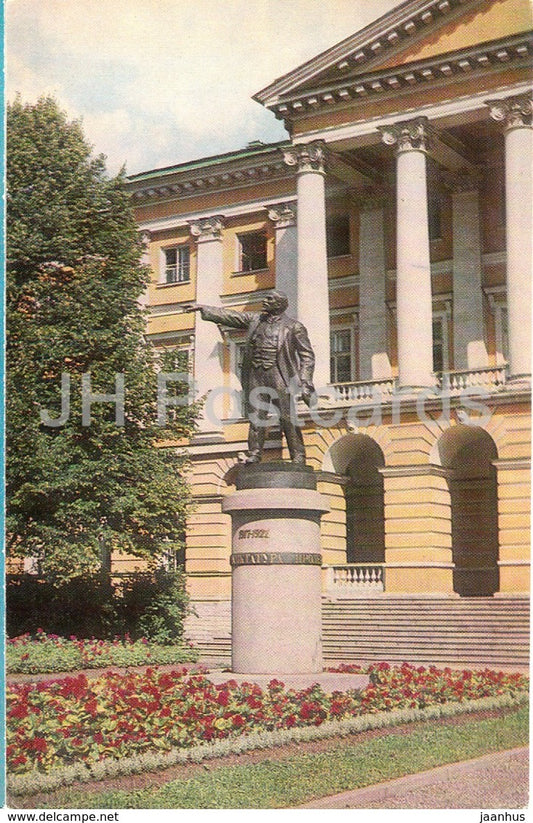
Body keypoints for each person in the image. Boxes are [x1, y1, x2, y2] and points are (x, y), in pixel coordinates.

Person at [189, 290, 315, 464]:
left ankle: (298, 455)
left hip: (279, 373)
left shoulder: (294, 327)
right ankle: (255, 453)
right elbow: (231, 316)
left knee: (287, 417)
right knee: (256, 416)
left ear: (279, 304)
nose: (265, 301)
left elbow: (307, 356)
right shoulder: (255, 320)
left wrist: (306, 381)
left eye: (270, 299)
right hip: (256, 373)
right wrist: (204, 308)